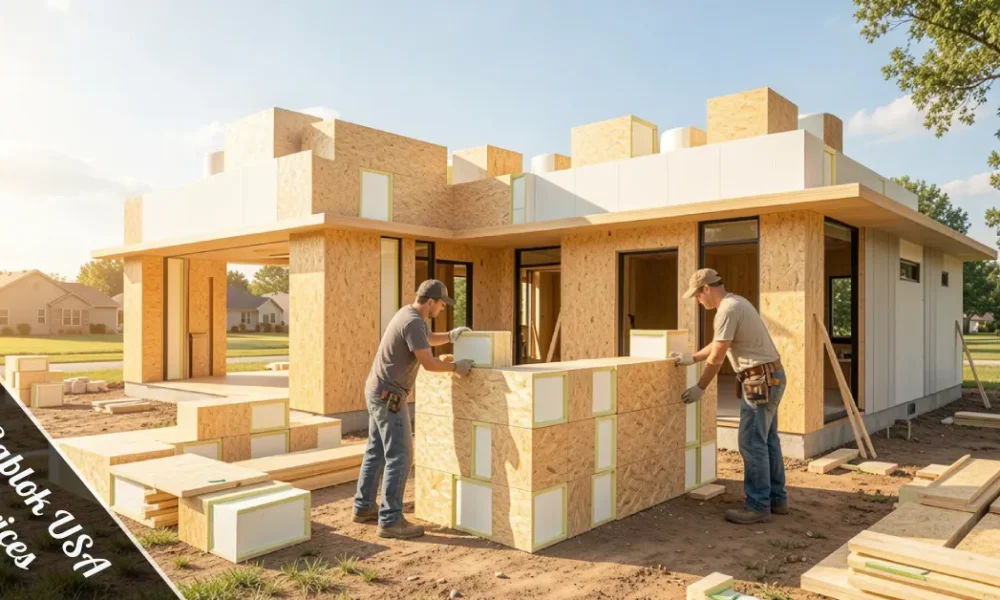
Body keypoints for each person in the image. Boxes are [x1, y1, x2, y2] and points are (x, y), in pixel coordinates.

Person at [353, 279, 476, 539]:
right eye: (442, 303)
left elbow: (426, 339)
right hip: (389, 396)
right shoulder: (412, 321)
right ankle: (390, 521)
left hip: (376, 390)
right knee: (401, 455)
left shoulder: (408, 315)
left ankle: (363, 507)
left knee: (376, 450)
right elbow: (429, 363)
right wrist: (457, 366)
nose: (443, 308)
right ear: (430, 301)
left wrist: (449, 336)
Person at [670, 268, 787, 525]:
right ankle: (776, 499)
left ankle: (758, 506)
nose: (698, 302)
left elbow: (718, 357)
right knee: (767, 440)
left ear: (707, 289)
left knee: (751, 443)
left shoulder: (727, 310)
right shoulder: (737, 303)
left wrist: (701, 386)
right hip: (771, 376)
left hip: (760, 381)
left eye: (698, 296)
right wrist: (691, 357)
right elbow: (719, 343)